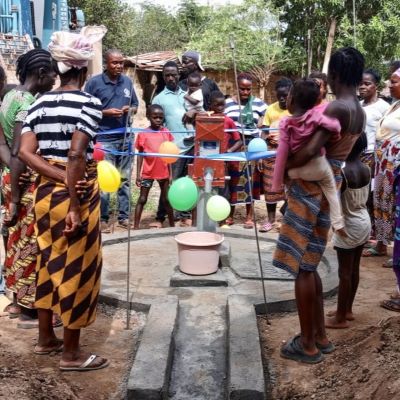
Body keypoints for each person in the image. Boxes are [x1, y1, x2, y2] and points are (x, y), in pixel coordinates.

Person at [19, 27, 109, 371]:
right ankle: (71, 355)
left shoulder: (39, 103)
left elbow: (26, 152)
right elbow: (75, 155)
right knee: (78, 268)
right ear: (84, 69)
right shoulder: (89, 102)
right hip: (76, 194)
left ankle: (45, 339)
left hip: (43, 194)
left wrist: (53, 176)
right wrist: (73, 199)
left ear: (59, 69)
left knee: (47, 263)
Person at [274, 47, 365, 364]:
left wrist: (284, 167)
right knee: (310, 261)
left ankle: (308, 345)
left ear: (334, 75)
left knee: (301, 266)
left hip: (310, 188)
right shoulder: (359, 108)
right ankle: (319, 337)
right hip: (330, 185)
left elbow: (310, 150)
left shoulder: (337, 108)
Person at [0, 49, 56, 327]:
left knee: (15, 241)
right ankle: (29, 309)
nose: (55, 80)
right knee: (31, 245)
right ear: (42, 73)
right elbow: (19, 148)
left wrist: (10, 174)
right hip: (25, 182)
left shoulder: (9, 96)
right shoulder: (28, 103)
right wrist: (17, 195)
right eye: (53, 74)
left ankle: (15, 300)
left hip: (11, 178)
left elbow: (3, 146)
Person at [272, 78, 345, 235]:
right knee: (331, 190)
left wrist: (278, 181)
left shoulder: (286, 123)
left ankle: (291, 216)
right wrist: (336, 136)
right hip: (319, 166)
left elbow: (282, 152)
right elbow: (335, 126)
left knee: (290, 185)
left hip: (297, 171)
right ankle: (338, 223)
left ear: (291, 99)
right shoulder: (316, 116)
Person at [85, 48, 139, 233]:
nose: (119, 66)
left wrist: (129, 109)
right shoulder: (94, 83)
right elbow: (86, 109)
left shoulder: (127, 82)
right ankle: (103, 219)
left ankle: (124, 218)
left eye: (121, 63)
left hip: (125, 138)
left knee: (124, 180)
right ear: (106, 64)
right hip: (104, 139)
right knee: (105, 181)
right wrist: (104, 112)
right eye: (115, 63)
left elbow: (135, 105)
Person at [325, 134, 371, 328]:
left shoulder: (343, 173)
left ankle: (341, 318)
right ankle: (347, 310)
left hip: (348, 225)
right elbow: (367, 199)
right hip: (364, 221)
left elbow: (334, 202)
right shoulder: (366, 169)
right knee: (354, 270)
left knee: (344, 273)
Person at [363, 67, 400, 262]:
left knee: (395, 207)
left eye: (394, 81)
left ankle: (398, 255)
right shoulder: (394, 105)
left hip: (395, 166)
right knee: (382, 204)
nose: (390, 85)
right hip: (382, 164)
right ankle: (382, 245)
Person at [152, 61, 193, 227]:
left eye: (173, 75)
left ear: (179, 75)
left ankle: (185, 215)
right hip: (173, 149)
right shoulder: (159, 98)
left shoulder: (188, 95)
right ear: (163, 77)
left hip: (191, 146)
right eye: (167, 75)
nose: (170, 78)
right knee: (169, 183)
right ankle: (161, 217)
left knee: (188, 183)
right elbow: (158, 125)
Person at [224, 72, 266, 228]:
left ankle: (249, 217)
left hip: (252, 146)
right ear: (237, 87)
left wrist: (262, 139)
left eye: (249, 89)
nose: (246, 92)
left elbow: (267, 122)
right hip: (233, 145)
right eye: (242, 89)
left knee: (251, 180)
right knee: (233, 181)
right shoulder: (228, 104)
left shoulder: (259, 104)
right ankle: (229, 215)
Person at [358, 69, 389, 245]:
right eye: (361, 83)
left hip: (374, 157)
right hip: (357, 156)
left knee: (372, 197)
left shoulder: (384, 107)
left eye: (367, 83)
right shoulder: (359, 105)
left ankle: (376, 237)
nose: (362, 86)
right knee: (360, 196)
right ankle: (366, 232)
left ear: (375, 86)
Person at [134, 104, 175, 229]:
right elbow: (140, 155)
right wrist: (138, 174)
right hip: (147, 172)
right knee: (142, 199)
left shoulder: (166, 133)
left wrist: (171, 174)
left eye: (160, 117)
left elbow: (170, 154)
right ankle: (136, 226)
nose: (158, 120)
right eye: (155, 117)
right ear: (148, 117)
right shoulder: (143, 134)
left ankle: (172, 225)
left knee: (166, 200)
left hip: (163, 171)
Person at [259, 77, 292, 233]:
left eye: (285, 95)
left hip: (291, 152)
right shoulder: (270, 109)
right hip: (271, 151)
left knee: (290, 187)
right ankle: (271, 219)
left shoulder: (296, 110)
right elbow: (264, 132)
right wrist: (260, 153)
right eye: (279, 96)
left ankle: (288, 218)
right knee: (270, 186)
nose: (282, 99)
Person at [208, 90, 242, 204]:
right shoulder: (206, 118)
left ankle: (223, 217)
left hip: (222, 161)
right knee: (208, 186)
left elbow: (239, 141)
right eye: (217, 105)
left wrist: (229, 151)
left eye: (222, 104)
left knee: (223, 188)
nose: (220, 107)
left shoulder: (228, 121)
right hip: (207, 159)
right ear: (210, 105)